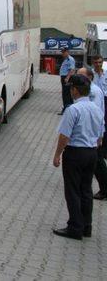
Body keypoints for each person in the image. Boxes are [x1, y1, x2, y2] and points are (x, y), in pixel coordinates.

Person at [52, 75, 103, 240]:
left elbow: (64, 136)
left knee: (73, 190)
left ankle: (74, 227)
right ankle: (86, 226)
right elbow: (100, 136)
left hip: (75, 153)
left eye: (71, 88)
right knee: (86, 190)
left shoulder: (73, 110)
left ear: (75, 90)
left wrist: (57, 154)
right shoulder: (97, 109)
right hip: (91, 152)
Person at [91, 56, 107, 200]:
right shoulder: (92, 76)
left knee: (98, 157)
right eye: (96, 62)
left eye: (100, 62)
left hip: (101, 114)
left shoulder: (105, 74)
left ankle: (104, 189)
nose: (98, 64)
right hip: (98, 115)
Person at [59, 47, 76, 114]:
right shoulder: (66, 59)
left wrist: (67, 78)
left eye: (64, 52)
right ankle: (67, 108)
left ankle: (67, 109)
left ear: (67, 52)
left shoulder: (70, 59)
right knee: (66, 93)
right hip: (64, 77)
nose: (62, 53)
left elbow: (72, 70)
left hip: (67, 78)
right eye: (62, 52)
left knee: (66, 94)